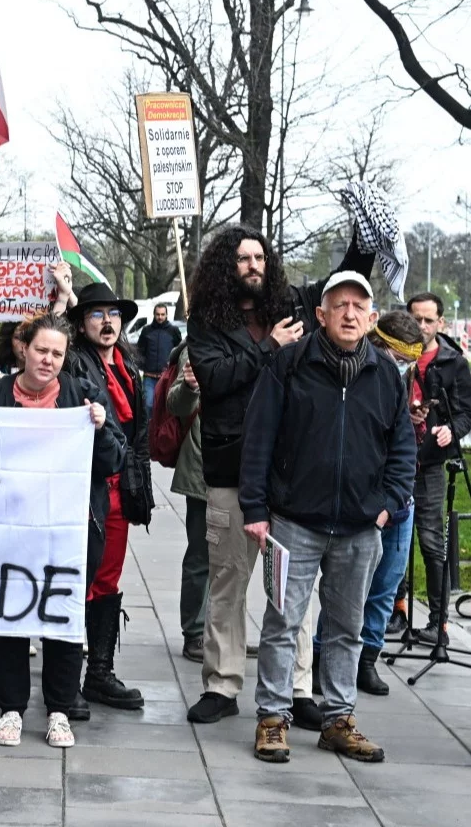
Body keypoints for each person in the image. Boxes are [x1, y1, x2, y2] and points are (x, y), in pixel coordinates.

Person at [185, 224, 371, 729]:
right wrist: (268, 347)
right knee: (228, 580)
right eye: (244, 259)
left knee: (293, 588)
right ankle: (221, 684)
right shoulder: (205, 321)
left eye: (261, 258)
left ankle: (297, 686)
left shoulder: (289, 304)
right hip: (230, 470)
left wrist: (363, 242)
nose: (254, 266)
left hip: (288, 475)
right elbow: (216, 380)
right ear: (228, 266)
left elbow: (340, 288)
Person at [239, 271, 415, 764]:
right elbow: (259, 439)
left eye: (360, 306)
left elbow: (402, 448)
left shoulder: (384, 374)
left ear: (372, 318)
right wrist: (256, 509)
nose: (350, 314)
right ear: (321, 314)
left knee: (346, 627)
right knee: (283, 622)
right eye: (340, 305)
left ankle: (339, 719)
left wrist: (388, 505)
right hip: (294, 521)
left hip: (361, 527)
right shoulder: (289, 365)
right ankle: (273, 719)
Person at [0, 314, 127, 749]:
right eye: (42, 350)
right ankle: (11, 710)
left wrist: (98, 429)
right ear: (24, 348)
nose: (49, 360)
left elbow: (115, 460)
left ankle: (59, 709)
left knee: (61, 620)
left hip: (68, 532)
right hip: (8, 531)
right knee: (9, 621)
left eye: (58, 353)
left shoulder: (83, 398)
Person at [314, 309, 422, 697]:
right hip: (360, 504)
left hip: (397, 503)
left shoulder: (407, 382)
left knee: (385, 587)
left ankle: (367, 660)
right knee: (343, 592)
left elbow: (405, 449)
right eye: (399, 358)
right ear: (378, 345)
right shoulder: (357, 377)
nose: (403, 366)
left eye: (409, 361)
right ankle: (320, 659)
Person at [66, 283, 149, 711]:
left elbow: (140, 434)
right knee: (80, 576)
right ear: (82, 324)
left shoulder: (129, 366)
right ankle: (66, 677)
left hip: (121, 487)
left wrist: (140, 486)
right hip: (88, 487)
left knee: (107, 579)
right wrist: (63, 296)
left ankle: (98, 671)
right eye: (97, 314)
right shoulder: (74, 361)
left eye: (113, 314)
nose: (107, 321)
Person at [404, 292, 471, 645]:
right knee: (391, 544)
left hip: (430, 463)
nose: (422, 326)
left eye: (429, 320)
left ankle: (439, 623)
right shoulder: (394, 355)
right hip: (393, 461)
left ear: (441, 323)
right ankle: (395, 611)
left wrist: (450, 430)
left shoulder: (453, 363)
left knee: (431, 543)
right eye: (416, 318)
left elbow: (465, 413)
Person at [165, 344, 207, 662]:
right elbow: (176, 404)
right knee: (201, 556)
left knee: (235, 564)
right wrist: (191, 386)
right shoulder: (197, 346)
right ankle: (195, 631)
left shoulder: (259, 339)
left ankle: (224, 630)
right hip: (204, 465)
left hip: (245, 469)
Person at [137, 304, 181, 415]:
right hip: (149, 377)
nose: (160, 317)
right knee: (148, 405)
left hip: (167, 377)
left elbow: (180, 351)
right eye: (158, 314)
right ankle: (148, 432)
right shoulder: (146, 331)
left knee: (167, 407)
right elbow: (139, 351)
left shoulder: (173, 331)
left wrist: (173, 368)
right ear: (154, 315)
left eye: (162, 314)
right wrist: (143, 365)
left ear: (166, 315)